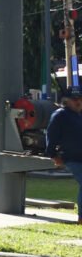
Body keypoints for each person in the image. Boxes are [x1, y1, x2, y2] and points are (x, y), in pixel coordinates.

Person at [46, 88, 82, 220]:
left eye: (80, 99)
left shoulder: (79, 115)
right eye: (75, 99)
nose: (78, 102)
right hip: (71, 157)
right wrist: (53, 155)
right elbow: (51, 136)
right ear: (66, 101)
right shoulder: (60, 115)